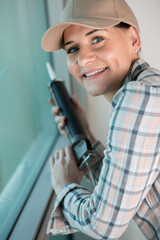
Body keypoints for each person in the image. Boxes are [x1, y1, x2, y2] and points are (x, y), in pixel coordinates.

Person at [41, 0, 160, 239]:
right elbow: (121, 192)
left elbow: (104, 225)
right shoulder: (148, 88)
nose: (84, 59)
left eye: (97, 39)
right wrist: (84, 134)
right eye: (73, 49)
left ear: (133, 39)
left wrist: (65, 186)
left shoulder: (138, 97)